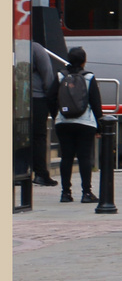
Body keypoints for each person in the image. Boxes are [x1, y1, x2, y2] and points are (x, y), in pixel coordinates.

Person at [52, 47, 103, 203]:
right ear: (84, 61)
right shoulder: (88, 77)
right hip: (85, 123)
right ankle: (86, 193)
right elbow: (96, 103)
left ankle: (65, 193)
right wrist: (99, 126)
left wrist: (57, 114)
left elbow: (50, 97)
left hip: (63, 122)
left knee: (66, 157)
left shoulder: (60, 76)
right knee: (84, 158)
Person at [29, 40, 58, 187]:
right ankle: (40, 173)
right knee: (38, 137)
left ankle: (18, 171)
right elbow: (48, 75)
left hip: (15, 99)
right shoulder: (35, 48)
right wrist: (51, 98)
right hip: (37, 99)